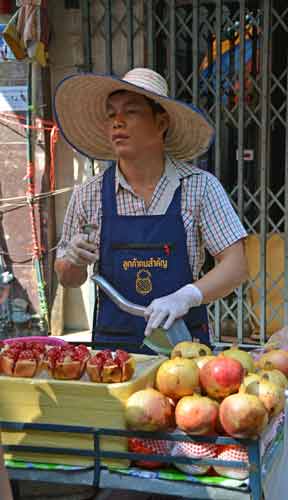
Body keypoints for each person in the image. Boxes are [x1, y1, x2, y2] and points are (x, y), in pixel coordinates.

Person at [54, 67, 248, 351]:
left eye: (130, 112)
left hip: (183, 348)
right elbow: (68, 278)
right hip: (113, 352)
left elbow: (236, 265)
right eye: (111, 114)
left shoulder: (199, 187)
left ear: (161, 123)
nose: (117, 122)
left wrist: (187, 296)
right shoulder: (89, 194)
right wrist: (72, 260)